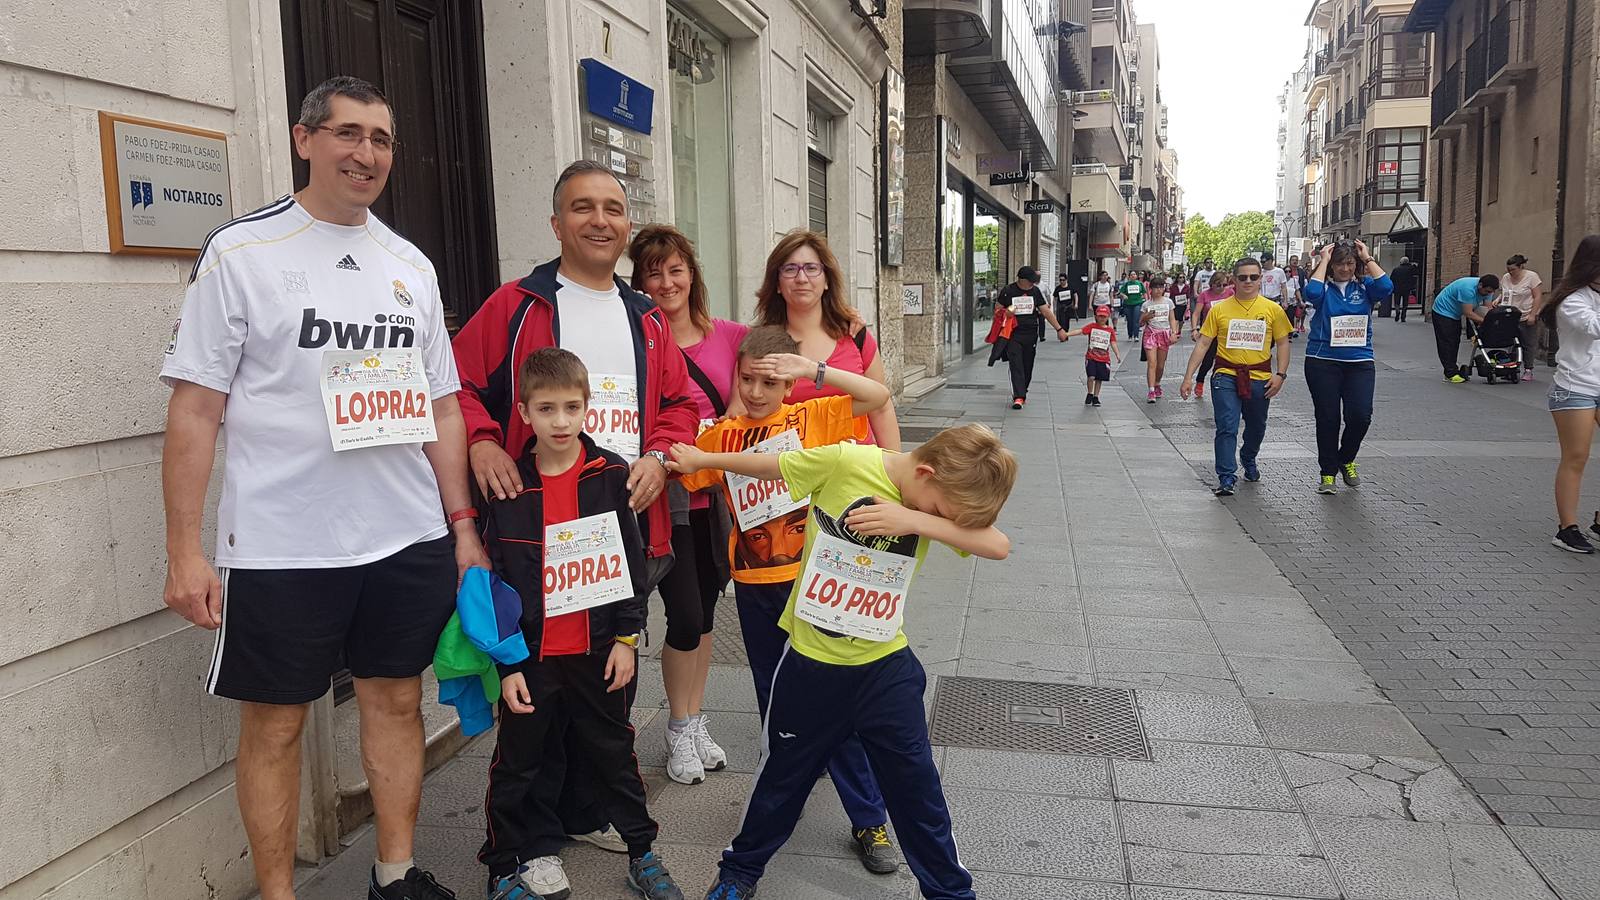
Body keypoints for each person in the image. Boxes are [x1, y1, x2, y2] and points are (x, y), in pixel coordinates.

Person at [158, 76, 481, 900]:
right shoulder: (241, 253)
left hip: (403, 533)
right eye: (347, 134)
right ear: (305, 140)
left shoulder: (409, 264)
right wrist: (184, 550)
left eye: (380, 139)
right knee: (274, 725)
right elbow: (195, 410)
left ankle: (396, 875)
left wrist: (461, 526)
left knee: (397, 702)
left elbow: (443, 408)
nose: (365, 153)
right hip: (281, 540)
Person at [453, 159, 700, 850]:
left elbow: (682, 403)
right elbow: (457, 382)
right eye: (583, 207)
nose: (600, 220)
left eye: (614, 208)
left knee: (606, 683)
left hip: (619, 526)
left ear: (627, 224)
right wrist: (479, 442)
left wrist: (659, 454)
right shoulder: (515, 306)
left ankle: (587, 814)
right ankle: (531, 835)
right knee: (536, 693)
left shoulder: (647, 316)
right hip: (533, 531)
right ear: (556, 222)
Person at [668, 425, 1017, 900]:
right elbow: (773, 465)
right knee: (781, 781)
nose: (934, 518)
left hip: (885, 670)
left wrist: (917, 522)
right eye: (936, 510)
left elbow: (998, 545)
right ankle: (739, 874)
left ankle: (952, 894)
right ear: (926, 473)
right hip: (811, 666)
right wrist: (702, 460)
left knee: (918, 793)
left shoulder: (925, 509)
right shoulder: (849, 463)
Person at [678, 326, 901, 874]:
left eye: (770, 381)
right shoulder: (722, 435)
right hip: (755, 592)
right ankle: (784, 796)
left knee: (834, 701)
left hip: (813, 585)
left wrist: (812, 373)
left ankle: (869, 817)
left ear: (788, 384)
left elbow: (878, 398)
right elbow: (686, 469)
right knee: (777, 705)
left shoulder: (811, 418)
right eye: (747, 379)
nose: (756, 392)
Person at [478, 349, 686, 900]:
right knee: (520, 762)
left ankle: (642, 851)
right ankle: (503, 865)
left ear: (588, 408)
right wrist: (507, 663)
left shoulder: (610, 475)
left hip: (597, 650)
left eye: (572, 407)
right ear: (524, 413)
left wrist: (625, 638)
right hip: (532, 657)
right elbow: (497, 577)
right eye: (547, 409)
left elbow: (630, 564)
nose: (561, 421)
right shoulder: (509, 486)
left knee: (614, 752)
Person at [629, 225, 744, 786]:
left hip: (715, 496)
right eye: (654, 271)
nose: (667, 281)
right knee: (686, 615)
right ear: (640, 279)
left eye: (676, 269)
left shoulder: (728, 335)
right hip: (662, 495)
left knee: (705, 612)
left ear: (692, 274)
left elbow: (767, 382)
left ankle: (694, 719)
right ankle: (677, 726)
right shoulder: (636, 334)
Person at [758, 230, 900, 448]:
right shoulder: (761, 345)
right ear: (777, 284)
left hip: (858, 473)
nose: (801, 278)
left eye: (812, 268)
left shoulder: (856, 336)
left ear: (827, 281)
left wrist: (894, 473)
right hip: (794, 475)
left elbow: (881, 408)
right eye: (790, 269)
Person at [1179, 258, 1293, 496]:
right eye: (1243, 277)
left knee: (1256, 426)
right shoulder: (1219, 309)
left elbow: (1283, 343)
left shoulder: (1273, 310)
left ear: (1261, 278)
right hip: (1225, 375)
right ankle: (1226, 476)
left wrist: (1280, 374)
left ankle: (1248, 457)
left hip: (1260, 377)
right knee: (1227, 425)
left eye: (1253, 277)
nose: (1248, 281)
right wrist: (1189, 377)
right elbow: (1204, 343)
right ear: (1234, 279)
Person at [1301, 241, 1392, 495]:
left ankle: (1346, 457)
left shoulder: (1365, 287)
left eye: (1350, 263)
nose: (1345, 268)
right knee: (1328, 419)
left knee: (1360, 416)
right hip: (1323, 361)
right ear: (1332, 265)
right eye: (1339, 263)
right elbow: (1312, 293)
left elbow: (1386, 287)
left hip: (1359, 361)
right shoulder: (1324, 288)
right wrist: (1323, 260)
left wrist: (1367, 258)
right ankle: (1328, 473)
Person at [1539, 235, 1600, 552]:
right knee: (1577, 457)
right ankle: (1567, 529)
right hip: (1575, 388)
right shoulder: (1573, 300)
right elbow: (1595, 328)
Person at [994, 265, 1070, 409]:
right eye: (1030, 281)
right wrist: (1006, 312)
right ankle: (1019, 396)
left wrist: (1059, 329)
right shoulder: (1008, 291)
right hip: (1012, 333)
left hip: (1030, 333)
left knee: (1027, 364)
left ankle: (1023, 389)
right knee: (1015, 363)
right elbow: (997, 309)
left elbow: (1046, 312)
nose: (1033, 283)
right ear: (1021, 280)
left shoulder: (1035, 291)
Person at [1431, 274, 1498, 382]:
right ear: (1480, 285)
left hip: (1456, 312)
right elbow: (1468, 313)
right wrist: (1485, 322)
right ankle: (1450, 373)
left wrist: (1492, 320)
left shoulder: (1489, 290)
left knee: (1455, 340)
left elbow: (1487, 308)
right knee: (1447, 342)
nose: (1488, 294)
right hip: (1443, 311)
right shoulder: (1467, 289)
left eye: (1490, 292)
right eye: (1486, 291)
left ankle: (1453, 367)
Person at [1064, 304, 1122, 406]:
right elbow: (1081, 331)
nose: (1102, 318)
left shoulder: (1110, 330)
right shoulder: (1092, 327)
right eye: (1100, 316)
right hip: (1091, 357)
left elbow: (1113, 343)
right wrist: (1067, 334)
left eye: (1104, 316)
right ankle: (1090, 393)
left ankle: (1096, 396)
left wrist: (1117, 354)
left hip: (1104, 359)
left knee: (1099, 379)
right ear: (1096, 316)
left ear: (1108, 316)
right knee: (1091, 376)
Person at [1189, 271, 1234, 401]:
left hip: (1226, 332)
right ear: (1212, 284)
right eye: (1218, 285)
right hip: (1210, 332)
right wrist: (1194, 329)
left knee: (1225, 360)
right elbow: (1196, 313)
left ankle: (1221, 384)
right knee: (1208, 360)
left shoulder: (1230, 294)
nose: (1221, 288)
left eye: (1224, 285)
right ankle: (1200, 380)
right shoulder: (1205, 295)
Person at [1499, 254, 1544, 381]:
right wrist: (1498, 300)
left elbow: (1538, 297)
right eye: (1509, 270)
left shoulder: (1532, 277)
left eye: (1513, 269)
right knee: (1511, 342)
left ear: (1521, 267)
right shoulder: (1506, 277)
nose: (1510, 272)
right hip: (1510, 315)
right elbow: (1505, 293)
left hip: (1526, 314)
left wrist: (1533, 315)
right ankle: (1511, 368)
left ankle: (1528, 369)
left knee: (1528, 343)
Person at [1140, 275, 1181, 402]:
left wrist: (1174, 333)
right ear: (1150, 289)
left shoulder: (1168, 302)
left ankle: (1157, 383)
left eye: (1161, 287)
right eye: (1155, 287)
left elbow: (1172, 319)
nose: (1158, 290)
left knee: (1160, 365)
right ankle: (1151, 390)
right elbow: (1140, 322)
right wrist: (1146, 317)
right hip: (1150, 334)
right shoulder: (1146, 304)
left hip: (1164, 334)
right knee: (1152, 363)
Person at [1118, 270, 1148, 340]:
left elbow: (1144, 293)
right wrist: (1124, 295)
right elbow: (1121, 292)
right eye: (1131, 275)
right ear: (1129, 276)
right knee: (1130, 320)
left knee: (1136, 319)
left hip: (1137, 303)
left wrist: (1146, 301)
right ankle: (1130, 335)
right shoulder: (1126, 284)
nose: (1133, 276)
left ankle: (1136, 335)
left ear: (1136, 276)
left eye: (1134, 274)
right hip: (1128, 304)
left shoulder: (1140, 283)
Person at [1390, 256, 1418, 322]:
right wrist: (1414, 265)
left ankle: (1397, 311)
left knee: (1397, 302)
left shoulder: (1396, 269)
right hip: (1406, 288)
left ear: (1401, 262)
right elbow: (1416, 272)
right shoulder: (1410, 269)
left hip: (1397, 288)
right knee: (1405, 303)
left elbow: (1391, 279)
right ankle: (1403, 317)